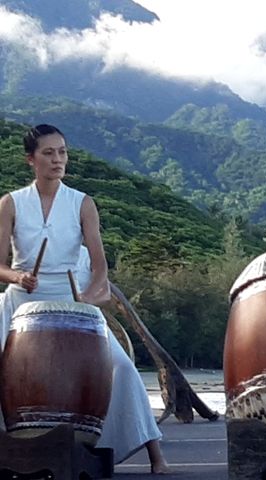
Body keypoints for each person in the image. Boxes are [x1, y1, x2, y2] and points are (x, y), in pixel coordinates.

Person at [0, 124, 170, 473]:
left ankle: (156, 455)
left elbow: (99, 266)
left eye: (62, 152)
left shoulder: (82, 203)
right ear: (30, 159)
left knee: (120, 368)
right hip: (20, 304)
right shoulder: (11, 203)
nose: (58, 159)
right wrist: (18, 276)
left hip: (70, 302)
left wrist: (91, 296)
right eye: (48, 153)